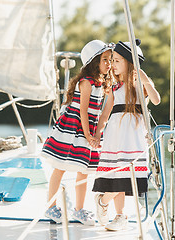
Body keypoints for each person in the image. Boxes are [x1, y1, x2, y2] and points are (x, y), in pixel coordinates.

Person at [92, 39, 161, 231]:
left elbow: (156, 100)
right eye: (112, 61)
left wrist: (144, 78)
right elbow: (105, 113)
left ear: (130, 63)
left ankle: (103, 201)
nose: (112, 65)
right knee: (117, 175)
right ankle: (120, 214)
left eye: (117, 61)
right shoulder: (114, 87)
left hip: (135, 137)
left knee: (128, 175)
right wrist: (97, 134)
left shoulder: (141, 84)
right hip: (115, 136)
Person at [41, 40, 113, 225]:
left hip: (88, 129)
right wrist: (88, 135)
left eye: (110, 60)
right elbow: (82, 111)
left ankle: (79, 209)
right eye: (105, 59)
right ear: (94, 62)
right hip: (73, 129)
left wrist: (96, 133)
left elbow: (100, 111)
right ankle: (51, 207)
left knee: (84, 170)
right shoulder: (86, 83)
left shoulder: (102, 83)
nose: (108, 63)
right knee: (60, 167)